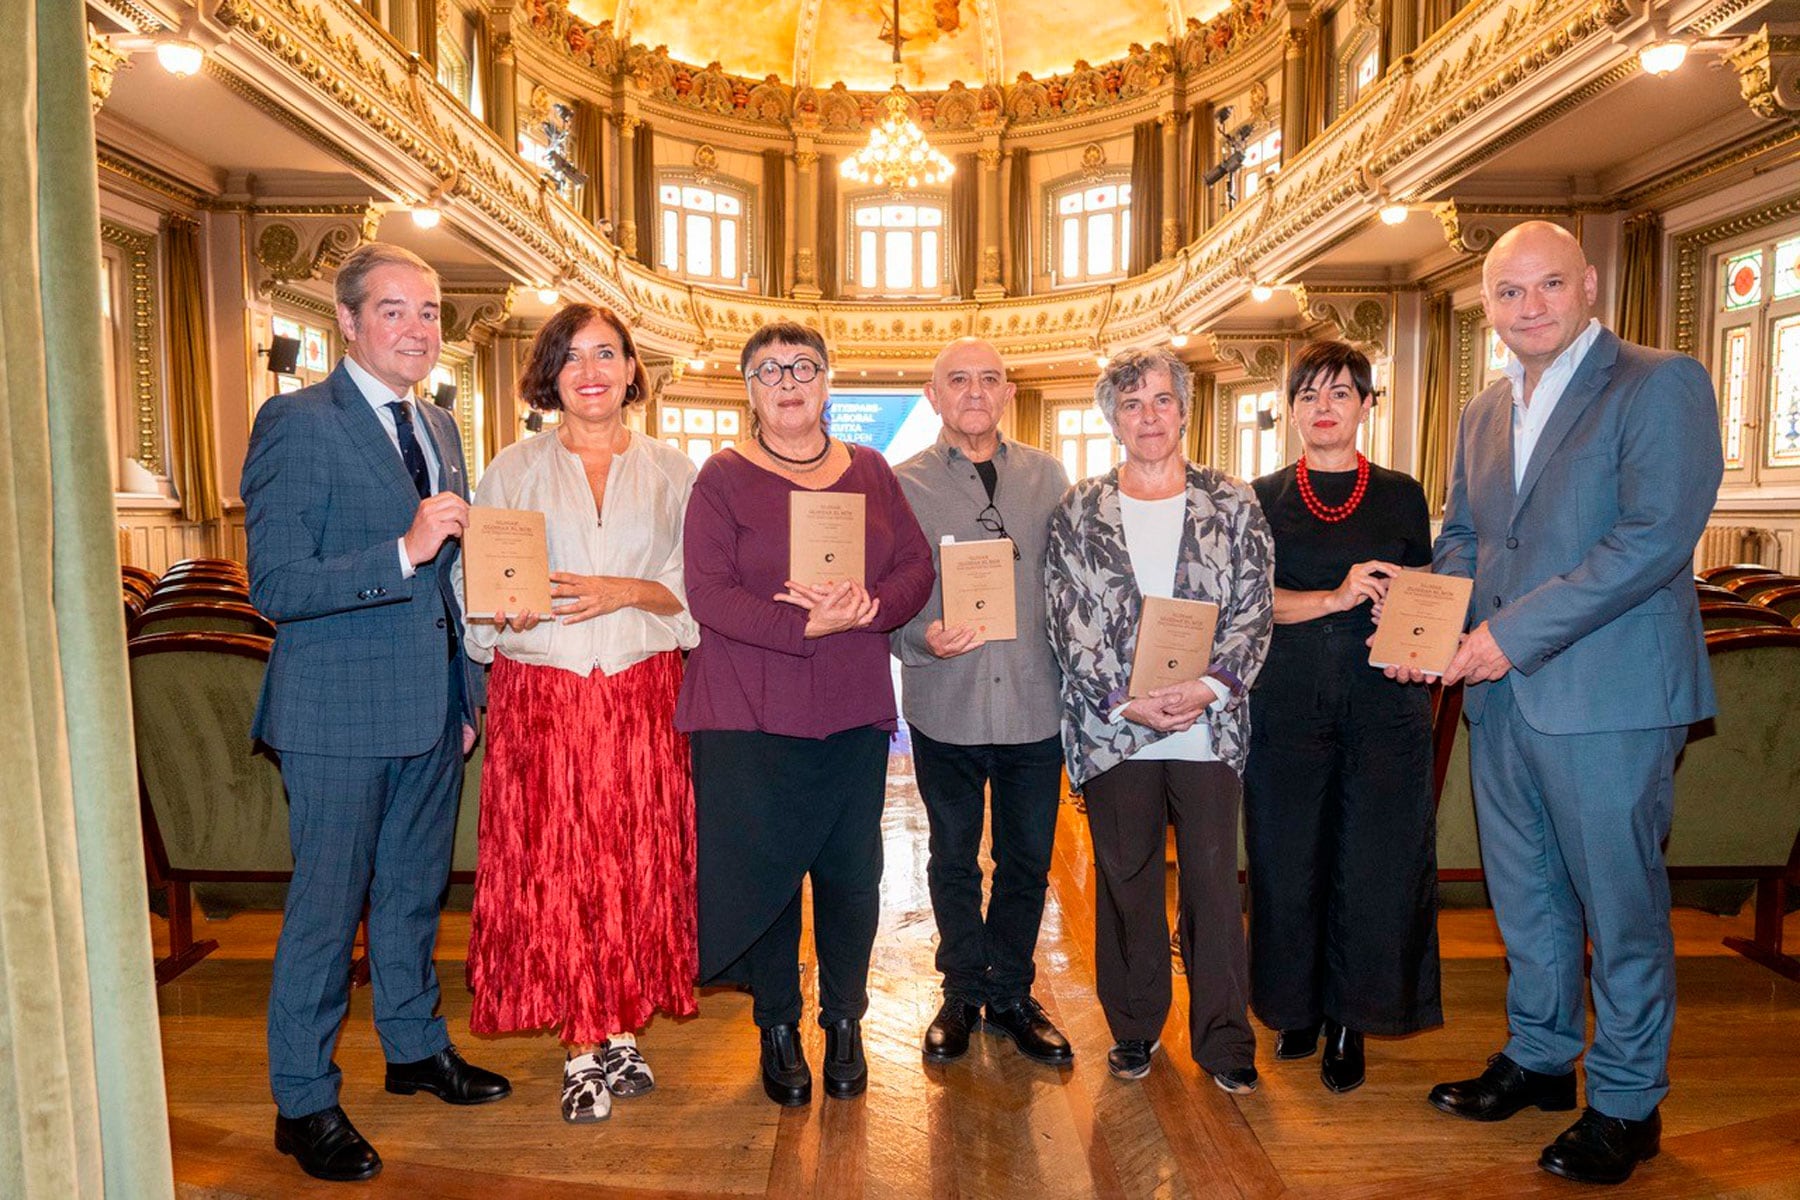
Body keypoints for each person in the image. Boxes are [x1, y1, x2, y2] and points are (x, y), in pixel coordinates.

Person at [1388, 221, 1722, 1185]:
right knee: (1525, 896)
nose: (1528, 307)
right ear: (1487, 307)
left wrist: (1505, 638)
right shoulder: (1484, 409)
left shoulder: (1658, 382)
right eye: (1507, 293)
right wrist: (1431, 630)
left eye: (1547, 287)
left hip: (1608, 696)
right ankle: (1540, 1060)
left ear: (1589, 287)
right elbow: (1464, 537)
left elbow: (1653, 541)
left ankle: (1626, 1102)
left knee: (1620, 908)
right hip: (1501, 697)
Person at [243, 242, 509, 1184]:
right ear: (348, 322)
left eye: (430, 310)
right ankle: (303, 1100)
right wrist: (400, 549)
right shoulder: (297, 421)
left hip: (434, 711)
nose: (418, 327)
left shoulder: (440, 423)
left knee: (411, 897)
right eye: (394, 310)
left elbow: (455, 582)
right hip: (335, 716)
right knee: (326, 913)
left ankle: (411, 1050)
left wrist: (468, 694)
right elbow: (274, 583)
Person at [675, 321, 934, 1107]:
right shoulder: (720, 477)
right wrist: (804, 626)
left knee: (854, 877)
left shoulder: (873, 470)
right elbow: (707, 592)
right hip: (748, 711)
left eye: (804, 367)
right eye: (769, 370)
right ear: (748, 389)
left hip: (851, 707)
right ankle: (778, 1026)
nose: (788, 381)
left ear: (827, 383)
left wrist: (871, 605)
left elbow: (915, 568)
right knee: (772, 878)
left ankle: (846, 1022)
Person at [456, 304, 700, 1124]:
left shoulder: (676, 471)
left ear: (633, 368)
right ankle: (580, 1046)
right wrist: (504, 612)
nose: (591, 370)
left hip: (641, 688)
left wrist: (623, 590)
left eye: (607, 353)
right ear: (550, 375)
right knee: (559, 863)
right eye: (572, 357)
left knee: (634, 859)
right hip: (545, 696)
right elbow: (480, 592)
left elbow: (695, 589)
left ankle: (624, 1023)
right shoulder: (512, 468)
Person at [1045, 347, 1274, 1092]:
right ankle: (1136, 1029)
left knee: (1212, 883)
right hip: (1116, 731)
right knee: (1128, 883)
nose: (1149, 416)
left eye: (1162, 401)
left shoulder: (1232, 501)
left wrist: (1209, 687)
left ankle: (1225, 1040)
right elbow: (1065, 618)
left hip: (1210, 726)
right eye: (1133, 403)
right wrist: (1126, 699)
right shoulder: (1080, 509)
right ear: (1113, 418)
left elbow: (1254, 610)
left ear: (1185, 410)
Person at [1244, 340, 1441, 1095]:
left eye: (1339, 394)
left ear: (1366, 405)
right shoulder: (1257, 497)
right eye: (1308, 395)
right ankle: (1296, 1010)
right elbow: (1247, 605)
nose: (1323, 408)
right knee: (1287, 859)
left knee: (1374, 865)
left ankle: (1353, 1019)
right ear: (1290, 410)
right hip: (1287, 695)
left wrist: (1406, 605)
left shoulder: (1400, 492)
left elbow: (1423, 594)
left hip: (1384, 700)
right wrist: (1336, 595)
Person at [892, 338, 1074, 1068]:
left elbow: (1073, 586)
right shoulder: (901, 485)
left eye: (989, 379)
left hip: (1036, 700)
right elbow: (887, 592)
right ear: (933, 396)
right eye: (958, 380)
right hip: (948, 702)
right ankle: (964, 991)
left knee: (1027, 860)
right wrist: (917, 636)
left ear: (1008, 394)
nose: (975, 390)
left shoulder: (1050, 477)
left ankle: (1012, 992)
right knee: (953, 858)